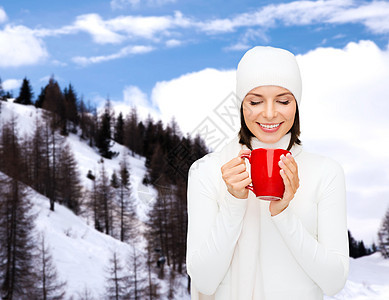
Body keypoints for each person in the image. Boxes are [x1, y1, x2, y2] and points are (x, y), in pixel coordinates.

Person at [186, 46, 349, 300]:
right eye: (255, 101)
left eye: (283, 101)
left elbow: (334, 281)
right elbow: (204, 281)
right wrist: (234, 202)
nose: (270, 113)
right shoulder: (206, 171)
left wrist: (283, 214)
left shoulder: (326, 172)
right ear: (241, 105)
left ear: (297, 104)